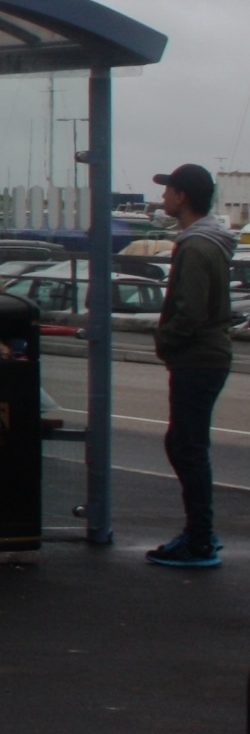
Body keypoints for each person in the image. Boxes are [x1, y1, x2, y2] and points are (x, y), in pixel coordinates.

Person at [147, 163, 234, 568]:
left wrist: (166, 340)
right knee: (185, 444)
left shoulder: (196, 247)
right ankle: (200, 533)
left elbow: (191, 311)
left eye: (168, 191)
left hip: (197, 358)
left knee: (187, 447)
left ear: (182, 197)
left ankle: (199, 539)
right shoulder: (207, 241)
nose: (163, 197)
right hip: (205, 357)